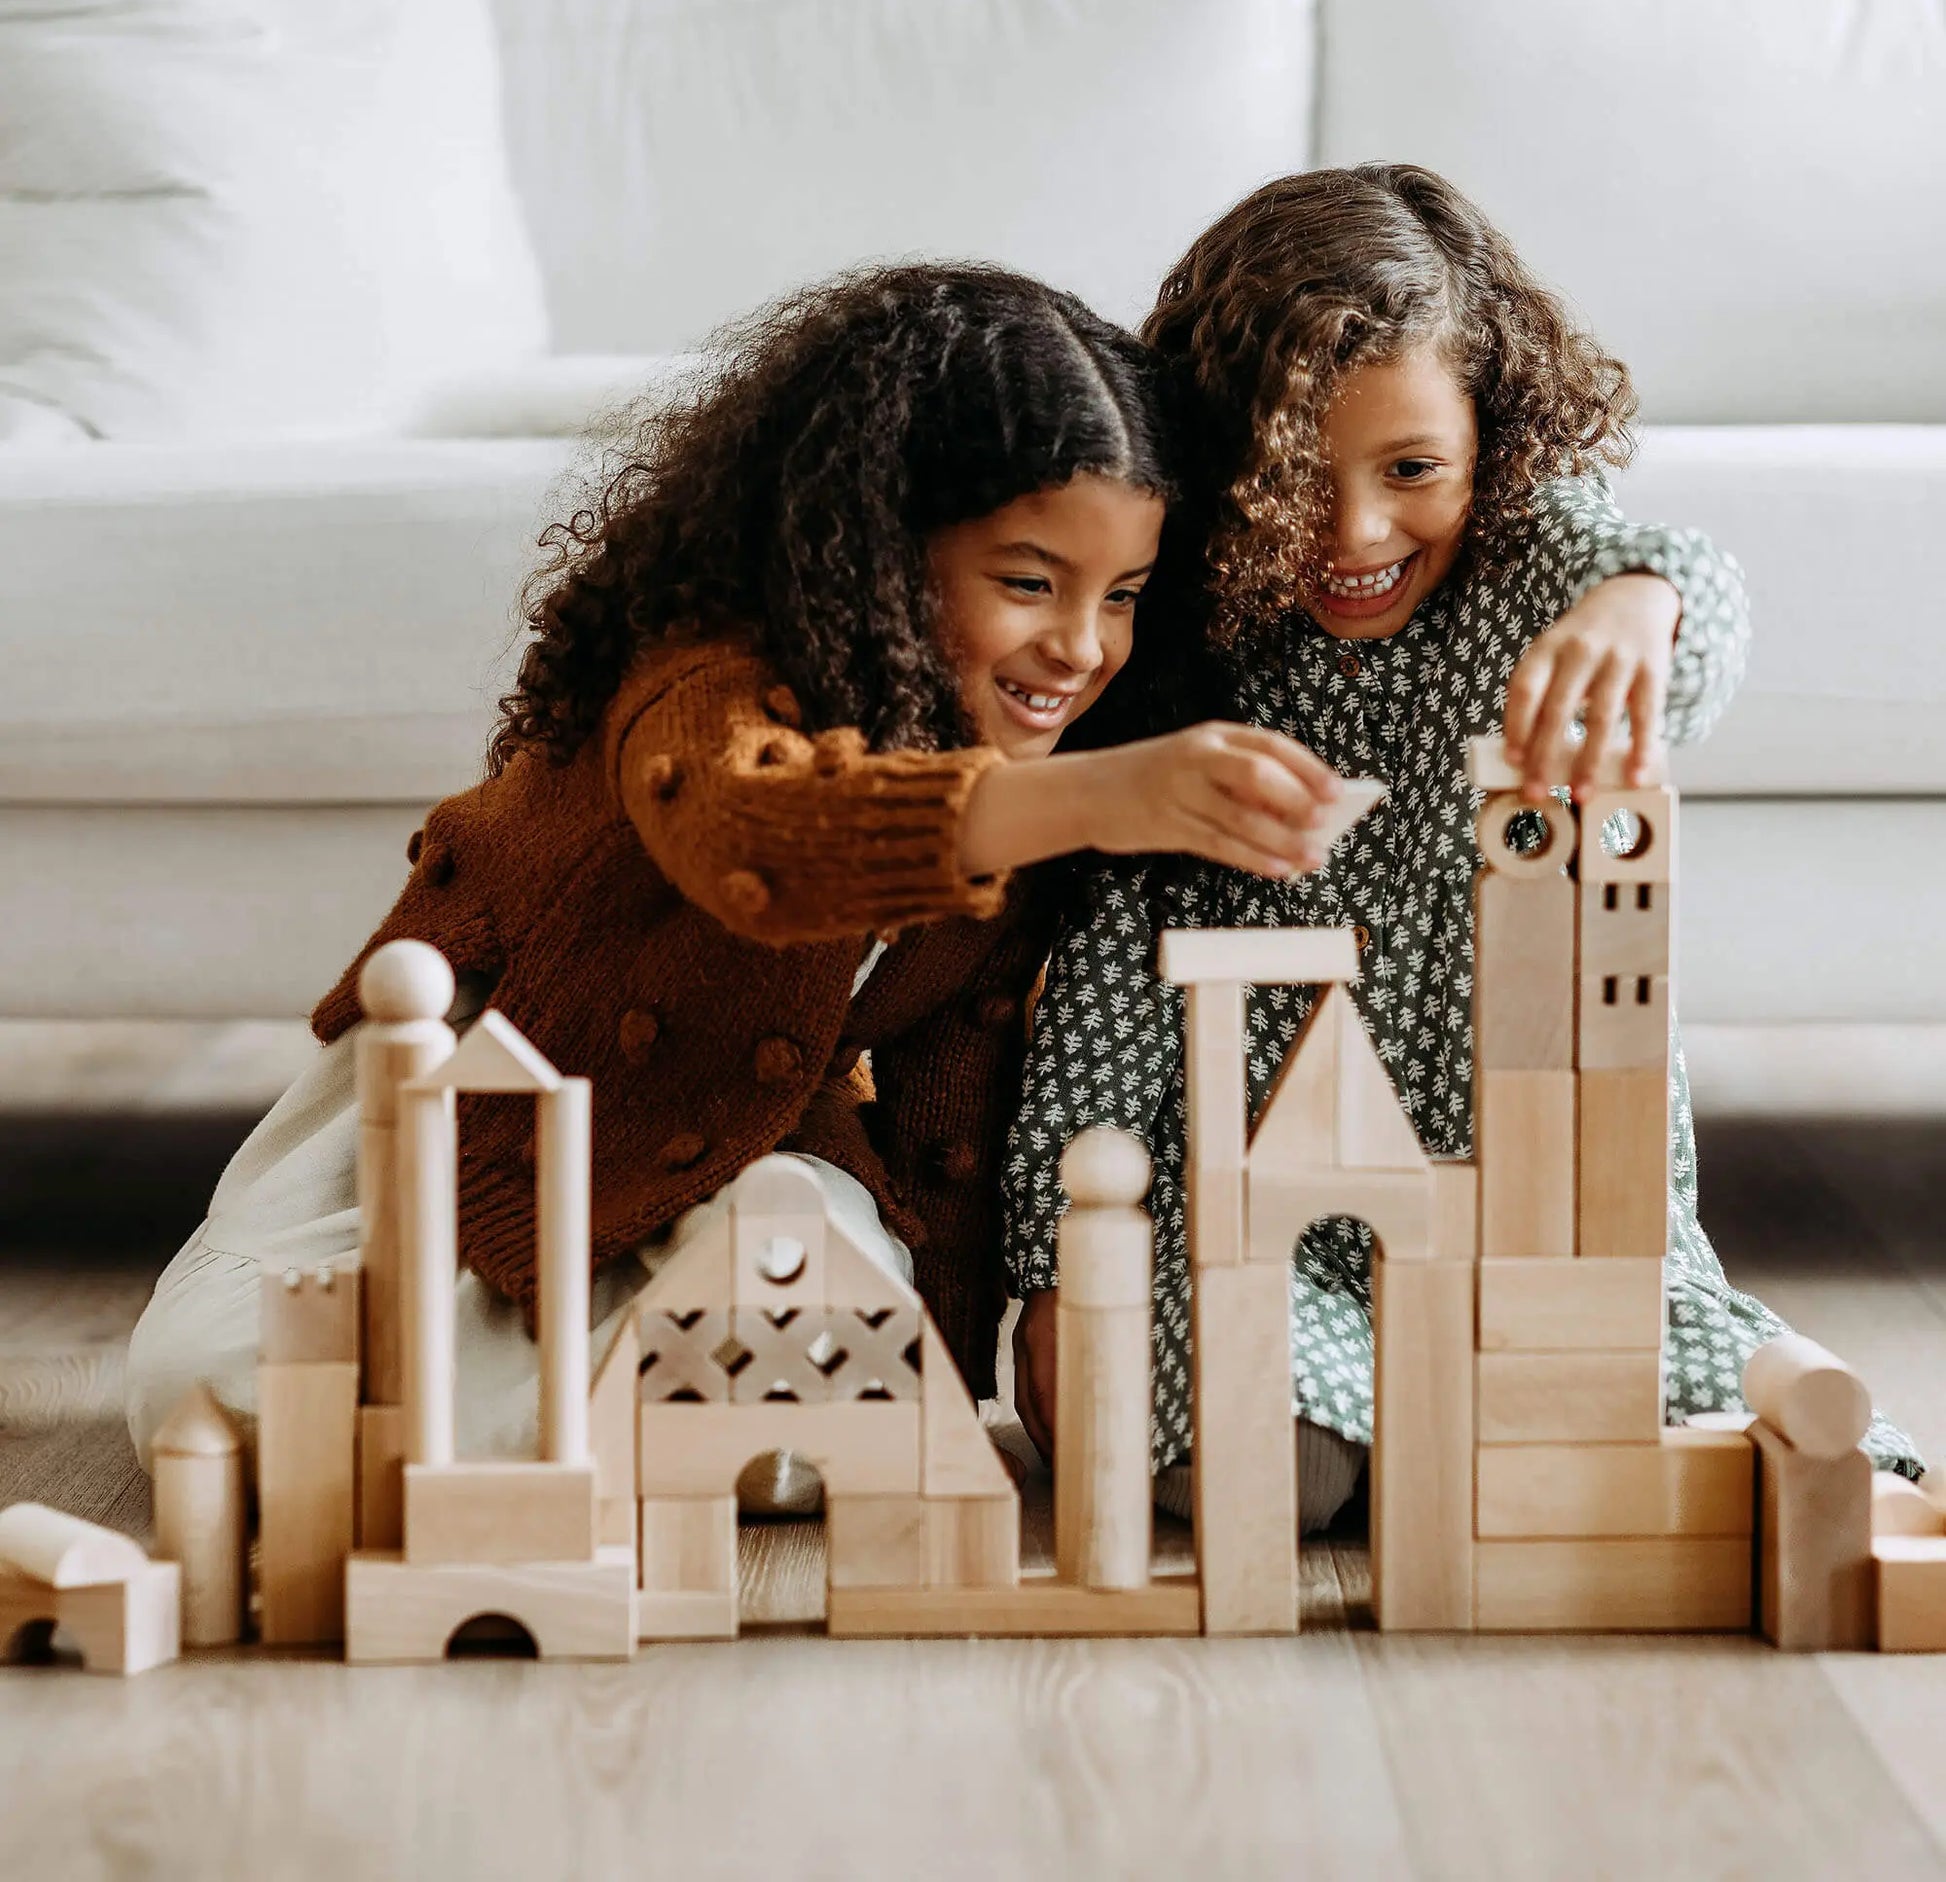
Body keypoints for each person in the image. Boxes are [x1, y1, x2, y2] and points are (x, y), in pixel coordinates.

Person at [124, 262, 1347, 1492]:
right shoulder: (705, 672)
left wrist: (979, 1327)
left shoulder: (1028, 769)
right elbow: (757, 842)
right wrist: (1105, 790)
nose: (1081, 647)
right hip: (484, 1095)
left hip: (740, 1145)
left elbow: (952, 1090)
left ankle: (622, 1432)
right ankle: (558, 1442)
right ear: (880, 546)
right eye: (1027, 581)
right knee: (215, 1391)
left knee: (827, 1341)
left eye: (1120, 595)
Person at [1001, 168, 1922, 1529]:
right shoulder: (1178, 608)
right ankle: (1382, 1429)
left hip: (1529, 1220)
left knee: (1745, 1425)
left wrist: (1640, 603)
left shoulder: (1528, 561)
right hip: (1243, 1209)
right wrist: (1055, 1276)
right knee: (1273, 1468)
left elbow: (1683, 581)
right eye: (1296, 476)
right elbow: (1100, 996)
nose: (1356, 531)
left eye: (1411, 471)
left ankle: (1472, 1426)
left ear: (1492, 439)